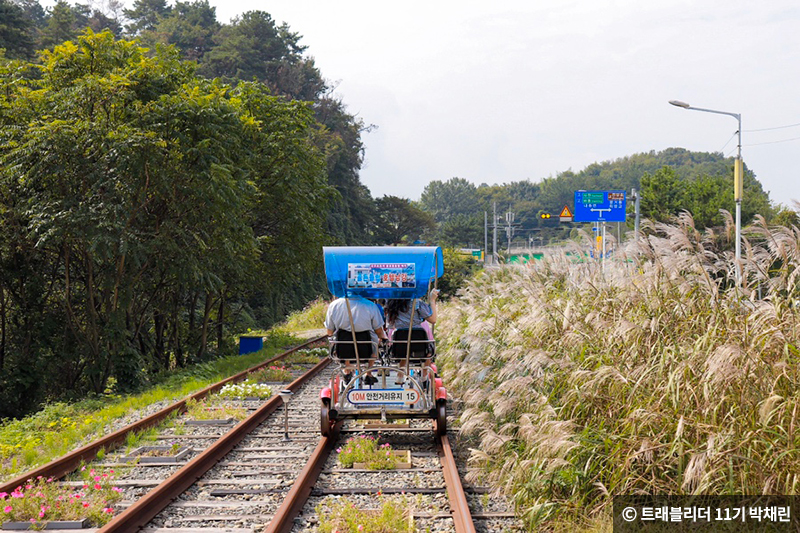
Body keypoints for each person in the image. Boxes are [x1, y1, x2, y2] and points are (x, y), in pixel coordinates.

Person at [324, 295, 387, 382]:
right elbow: (379, 331)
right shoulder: (370, 305)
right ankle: (368, 373)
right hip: (366, 350)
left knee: (343, 339)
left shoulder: (334, 305)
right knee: (374, 342)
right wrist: (382, 338)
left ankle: (347, 370)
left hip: (342, 350)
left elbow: (329, 332)